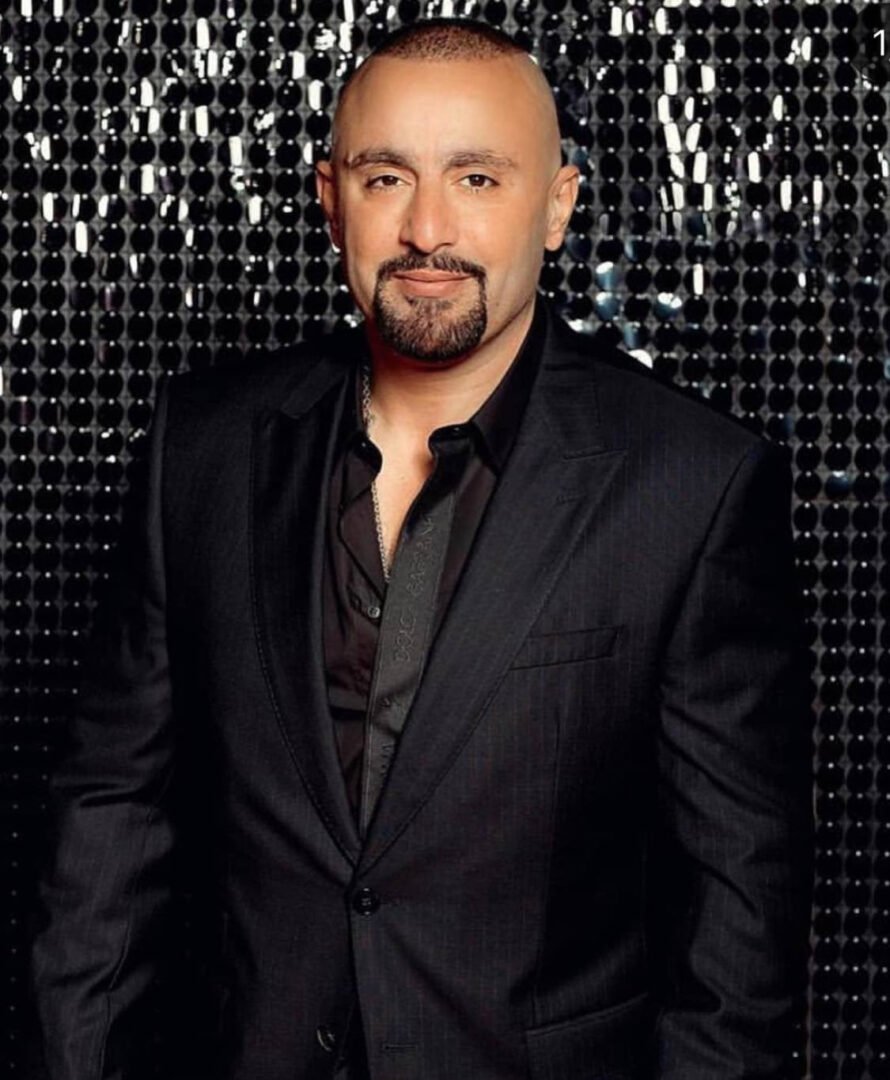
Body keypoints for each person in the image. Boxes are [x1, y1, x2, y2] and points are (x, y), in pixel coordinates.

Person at [31, 16, 814, 1080]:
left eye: (477, 179)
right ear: (330, 199)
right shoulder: (201, 447)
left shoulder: (691, 482)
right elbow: (110, 816)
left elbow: (740, 899)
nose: (426, 230)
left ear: (557, 207)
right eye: (385, 178)